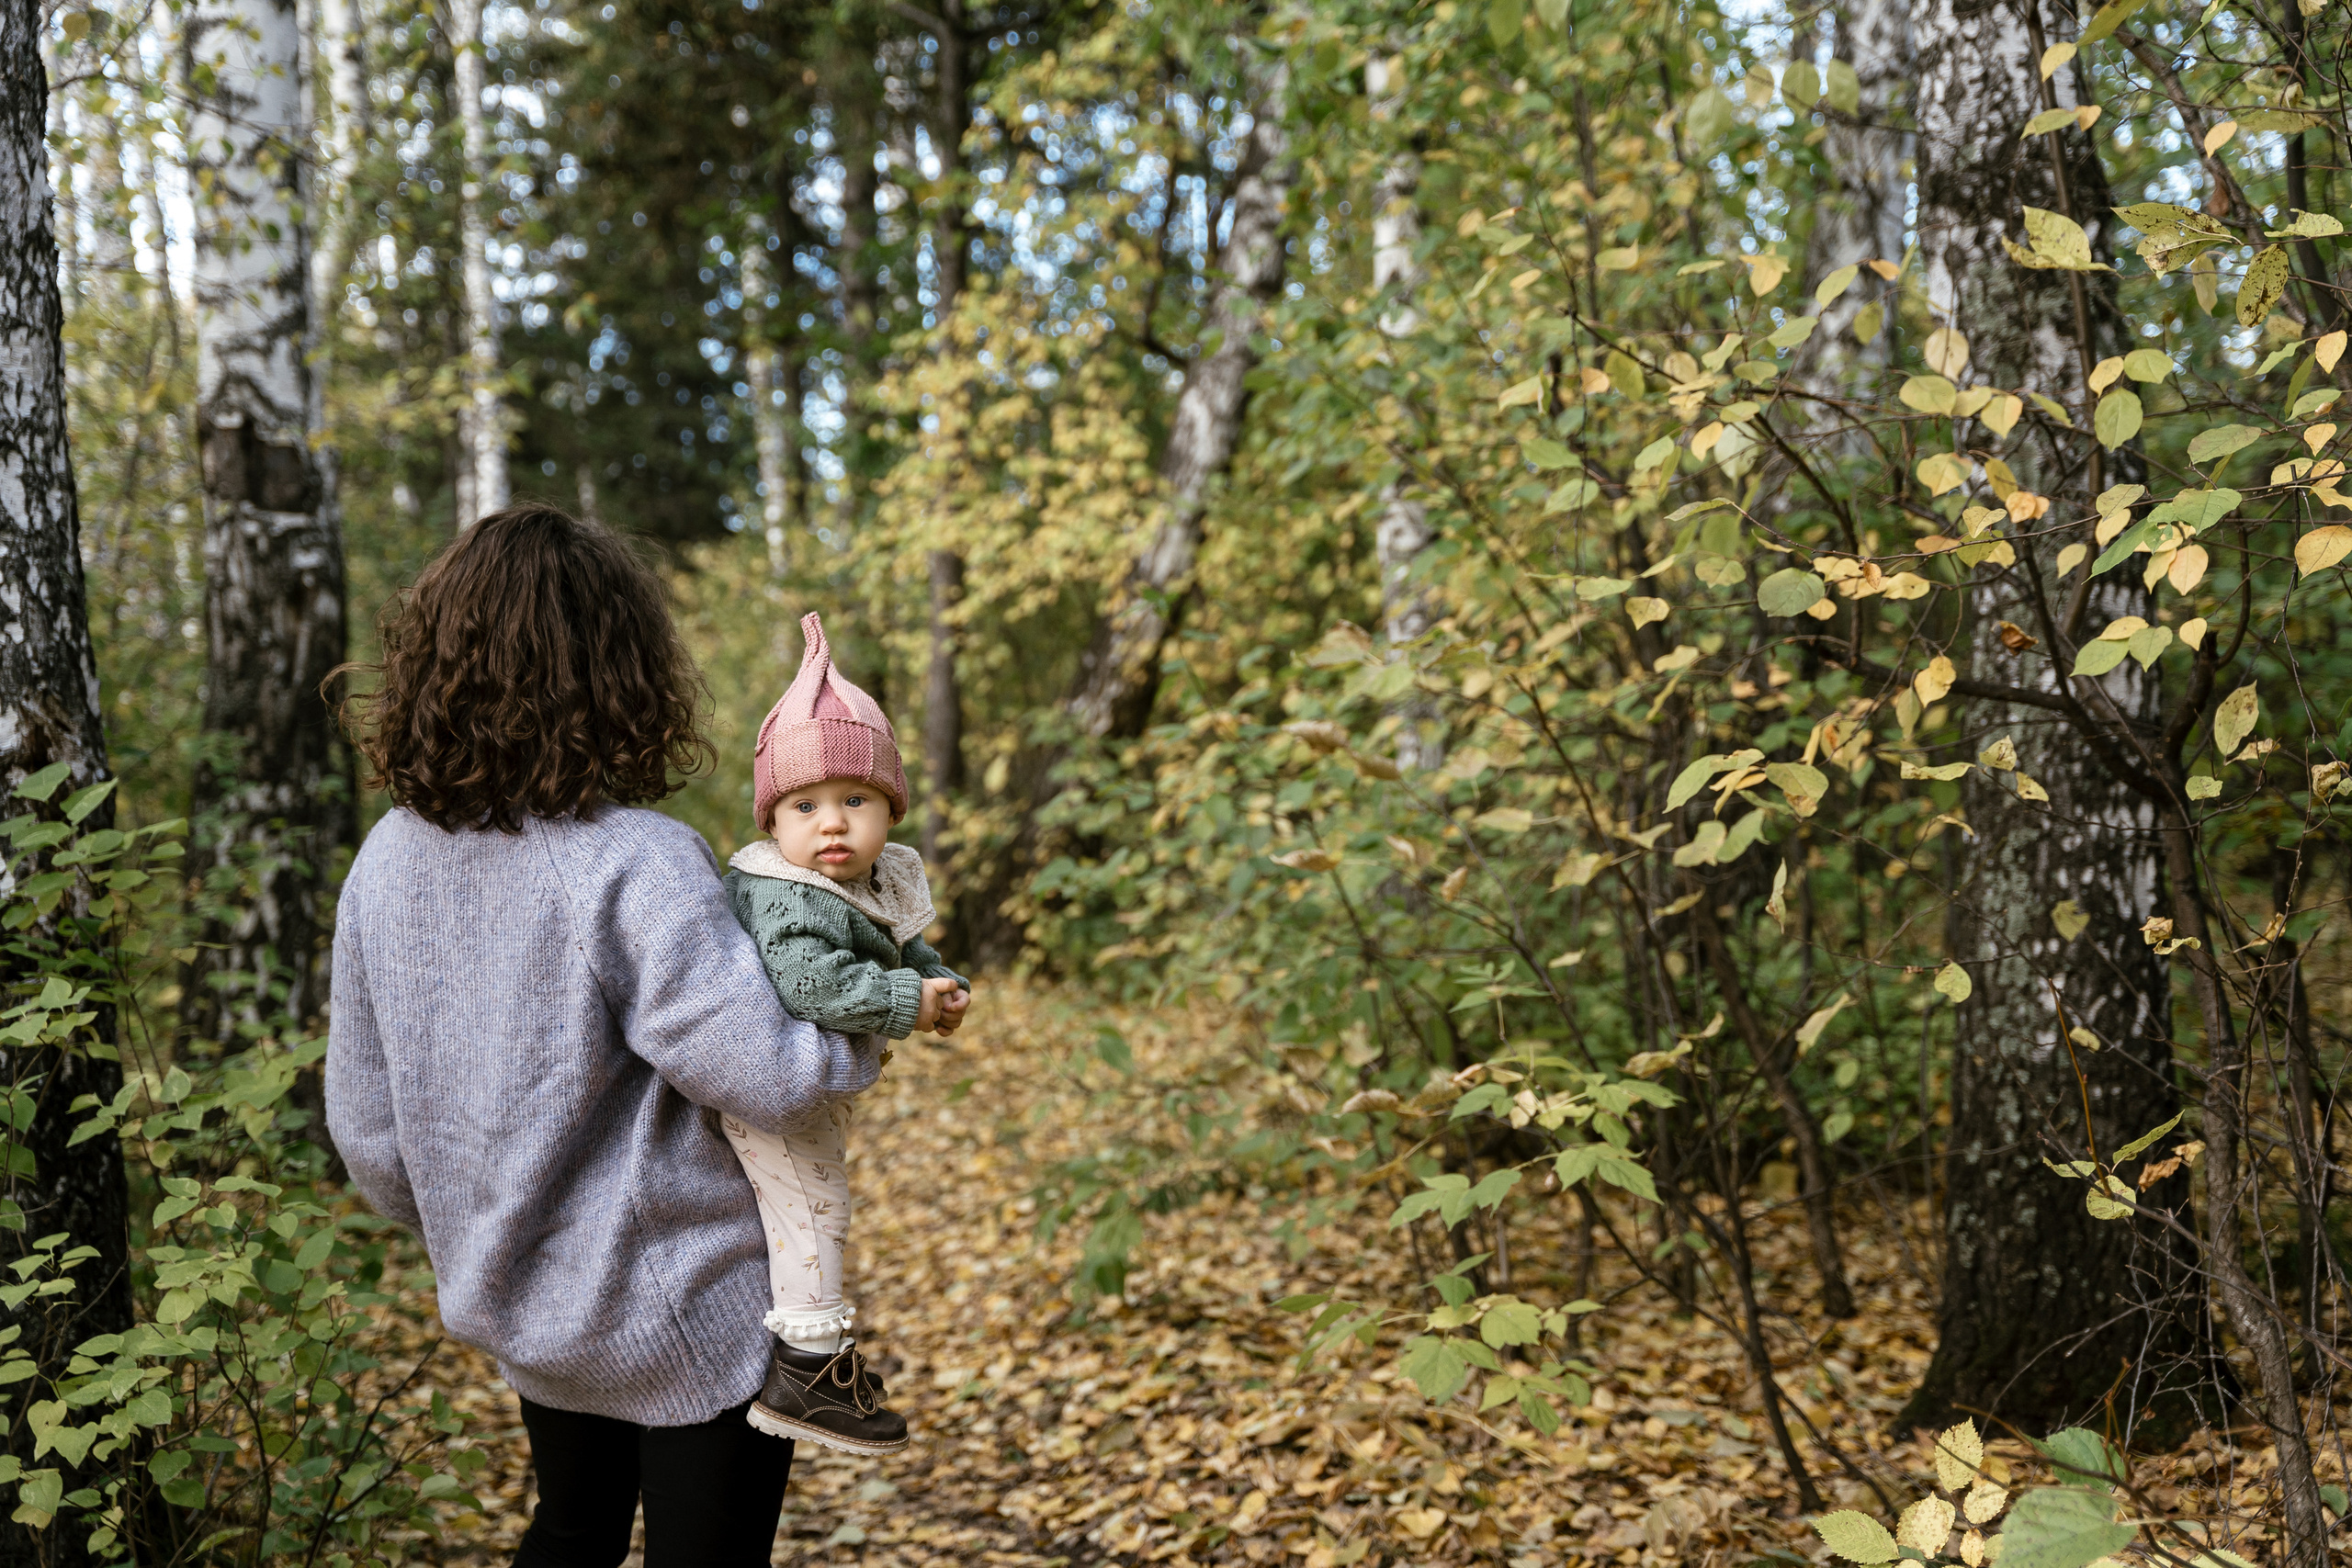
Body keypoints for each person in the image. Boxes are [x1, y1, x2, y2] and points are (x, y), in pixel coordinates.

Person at [324, 504, 880, 1566]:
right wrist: (866, 1031)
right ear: (616, 671)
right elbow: (773, 1079)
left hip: (521, 1308)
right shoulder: (632, 860)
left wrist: (495, 1231)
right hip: (691, 1314)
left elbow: (371, 1143)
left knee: (570, 1534)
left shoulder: (382, 863)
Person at [718, 612, 971, 1453]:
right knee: (815, 1207)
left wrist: (942, 982)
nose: (832, 823)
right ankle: (809, 1363)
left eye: (855, 800)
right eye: (806, 804)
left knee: (813, 1204)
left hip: (809, 1085)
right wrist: (908, 1001)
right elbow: (811, 981)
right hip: (766, 1085)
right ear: (773, 821)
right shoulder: (782, 890)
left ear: (889, 808)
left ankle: (805, 1343)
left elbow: (902, 940)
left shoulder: (872, 877)